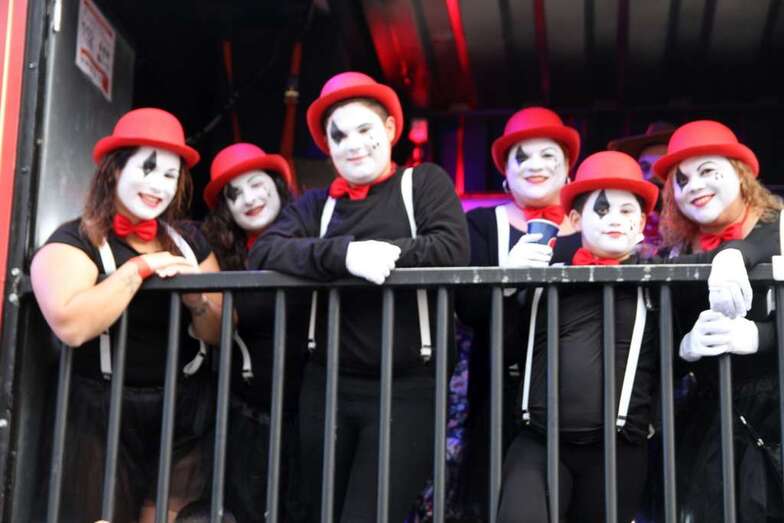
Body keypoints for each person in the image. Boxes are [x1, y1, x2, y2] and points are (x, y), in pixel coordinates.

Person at [248, 71, 470, 522]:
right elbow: (266, 251)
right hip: (325, 386)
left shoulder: (422, 183)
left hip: (408, 388)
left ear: (389, 129)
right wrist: (343, 255)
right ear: (328, 148)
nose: (353, 144)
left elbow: (449, 246)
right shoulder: (316, 205)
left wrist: (382, 255)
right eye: (339, 136)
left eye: (365, 129)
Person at [497, 150, 762, 523]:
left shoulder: (658, 282)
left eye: (627, 212)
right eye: (603, 209)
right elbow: (491, 334)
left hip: (619, 449)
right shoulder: (546, 280)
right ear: (575, 218)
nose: (616, 221)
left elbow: (673, 357)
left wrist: (687, 347)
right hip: (538, 442)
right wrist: (507, 282)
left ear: (641, 225)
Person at [30, 108, 222, 523]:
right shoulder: (74, 239)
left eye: (170, 175)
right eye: (148, 168)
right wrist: (138, 271)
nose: (158, 185)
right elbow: (73, 326)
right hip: (100, 411)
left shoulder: (189, 241)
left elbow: (220, 331)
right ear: (116, 171)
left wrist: (198, 301)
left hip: (182, 410)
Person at [653, 120, 784, 522]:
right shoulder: (671, 258)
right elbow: (654, 355)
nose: (694, 185)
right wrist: (684, 348)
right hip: (711, 421)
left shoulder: (776, 229)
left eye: (708, 171)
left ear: (741, 176)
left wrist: (763, 336)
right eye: (682, 179)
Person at [454, 106, 580, 519]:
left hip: (577, 395)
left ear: (568, 171)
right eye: (521, 156)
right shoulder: (481, 225)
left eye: (549, 155)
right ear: (505, 173)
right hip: (499, 393)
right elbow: (467, 309)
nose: (535, 166)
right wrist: (504, 278)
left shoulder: (596, 227)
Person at [201, 142, 306, 522]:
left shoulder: (311, 237)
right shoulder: (221, 256)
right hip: (247, 413)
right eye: (234, 194)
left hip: (310, 411)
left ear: (277, 185)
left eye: (257, 184)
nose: (248, 198)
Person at [608, 121, 676, 255]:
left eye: (660, 168)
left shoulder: (697, 219)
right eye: (645, 168)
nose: (651, 175)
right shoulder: (620, 219)